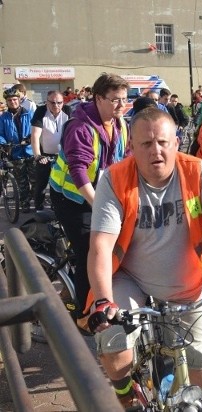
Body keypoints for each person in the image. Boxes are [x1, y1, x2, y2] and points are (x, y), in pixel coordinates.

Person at [86, 108, 202, 412]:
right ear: (131, 148)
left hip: (183, 280)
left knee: (199, 357)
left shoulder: (198, 172)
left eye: (163, 142)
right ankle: (126, 396)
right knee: (113, 340)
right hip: (129, 276)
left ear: (176, 142)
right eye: (146, 145)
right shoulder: (114, 179)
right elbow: (100, 245)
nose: (156, 151)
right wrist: (103, 301)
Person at [49, 73, 130, 330]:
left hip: (101, 193)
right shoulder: (81, 126)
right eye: (115, 100)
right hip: (72, 197)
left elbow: (126, 159)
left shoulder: (120, 123)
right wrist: (98, 205)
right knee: (91, 250)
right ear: (98, 98)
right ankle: (83, 316)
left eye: (125, 100)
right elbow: (78, 170)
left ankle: (77, 292)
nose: (121, 105)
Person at [30, 90, 71, 211]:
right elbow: (35, 136)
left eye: (59, 102)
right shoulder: (41, 111)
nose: (56, 105)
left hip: (63, 154)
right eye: (52, 102)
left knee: (60, 183)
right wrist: (37, 155)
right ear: (47, 102)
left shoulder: (68, 111)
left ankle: (57, 207)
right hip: (44, 154)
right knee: (42, 184)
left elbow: (74, 132)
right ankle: (38, 207)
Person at [0, 87, 34, 213]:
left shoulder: (29, 113)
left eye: (15, 99)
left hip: (30, 151)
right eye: (9, 100)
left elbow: (36, 129)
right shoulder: (3, 118)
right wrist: (4, 143)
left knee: (36, 181)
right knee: (21, 182)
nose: (12, 102)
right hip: (15, 152)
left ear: (19, 100)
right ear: (7, 102)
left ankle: (37, 202)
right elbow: (0, 133)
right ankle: (25, 204)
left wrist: (31, 137)